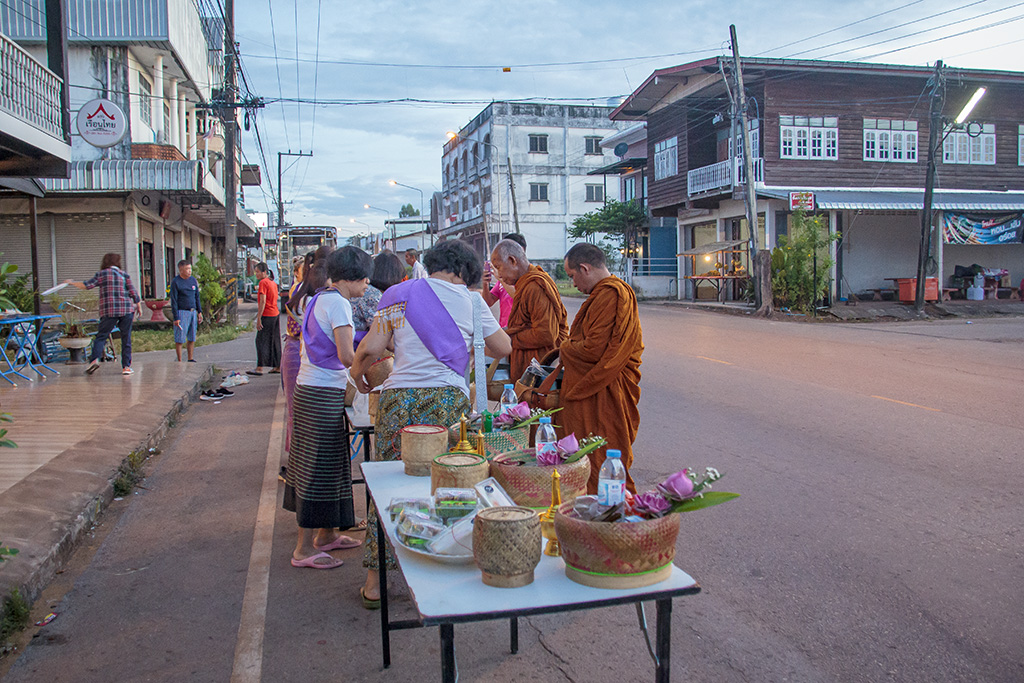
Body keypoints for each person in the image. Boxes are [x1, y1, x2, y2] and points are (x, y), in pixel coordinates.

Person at [351, 239, 511, 608]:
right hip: (448, 404)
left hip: (399, 403)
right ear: (465, 272)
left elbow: (371, 348)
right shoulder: (471, 302)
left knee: (389, 483)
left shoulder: (397, 293)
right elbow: (503, 347)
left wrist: (357, 375)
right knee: (448, 484)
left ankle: (375, 583)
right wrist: (466, 343)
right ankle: (440, 570)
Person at [283, 246, 373, 569]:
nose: (366, 286)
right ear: (352, 277)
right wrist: (373, 360)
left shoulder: (319, 297)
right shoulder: (338, 305)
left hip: (312, 389)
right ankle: (303, 549)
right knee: (316, 467)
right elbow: (349, 356)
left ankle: (327, 534)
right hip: (321, 392)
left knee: (332, 464)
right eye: (364, 280)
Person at [560, 243, 643, 494]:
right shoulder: (610, 293)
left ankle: (611, 516)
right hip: (606, 387)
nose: (573, 284)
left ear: (584, 268)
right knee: (596, 455)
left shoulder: (610, 295)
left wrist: (565, 347)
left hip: (605, 389)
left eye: (573, 276)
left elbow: (593, 351)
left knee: (600, 454)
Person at [489, 238, 567, 381]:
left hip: (539, 368)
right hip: (528, 365)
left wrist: (509, 338)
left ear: (513, 261)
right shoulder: (525, 284)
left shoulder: (535, 286)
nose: (499, 275)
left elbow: (546, 334)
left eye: (499, 267)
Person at [66, 253, 142, 376]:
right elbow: (133, 292)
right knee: (126, 338)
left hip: (109, 311)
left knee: (101, 336)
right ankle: (126, 367)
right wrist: (138, 306)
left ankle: (95, 359)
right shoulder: (124, 275)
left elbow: (87, 285)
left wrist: (71, 283)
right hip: (126, 310)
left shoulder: (101, 274)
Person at [281, 252, 322, 455]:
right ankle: (296, 463)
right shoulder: (307, 296)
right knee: (297, 413)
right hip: (297, 351)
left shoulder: (305, 293)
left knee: (298, 412)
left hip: (297, 350)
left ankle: (298, 462)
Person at [482, 233, 526, 326]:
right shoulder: (503, 279)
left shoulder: (529, 278)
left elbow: (520, 298)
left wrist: (501, 277)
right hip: (506, 331)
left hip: (521, 332)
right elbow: (488, 302)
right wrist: (485, 284)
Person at [249, 262, 281, 376]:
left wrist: (259, 318)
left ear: (264, 272)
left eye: (257, 272)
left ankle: (259, 367)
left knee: (260, 341)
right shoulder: (272, 282)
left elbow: (262, 301)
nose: (256, 274)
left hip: (267, 314)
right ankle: (278, 365)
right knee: (275, 340)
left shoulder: (263, 283)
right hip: (275, 314)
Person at [169, 260, 203, 362]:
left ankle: (190, 358)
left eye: (190, 269)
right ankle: (179, 360)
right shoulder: (176, 282)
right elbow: (174, 300)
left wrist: (199, 311)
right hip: (182, 311)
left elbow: (197, 296)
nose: (189, 271)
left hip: (192, 311)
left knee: (192, 337)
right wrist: (176, 317)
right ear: (181, 270)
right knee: (180, 338)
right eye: (187, 269)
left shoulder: (193, 280)